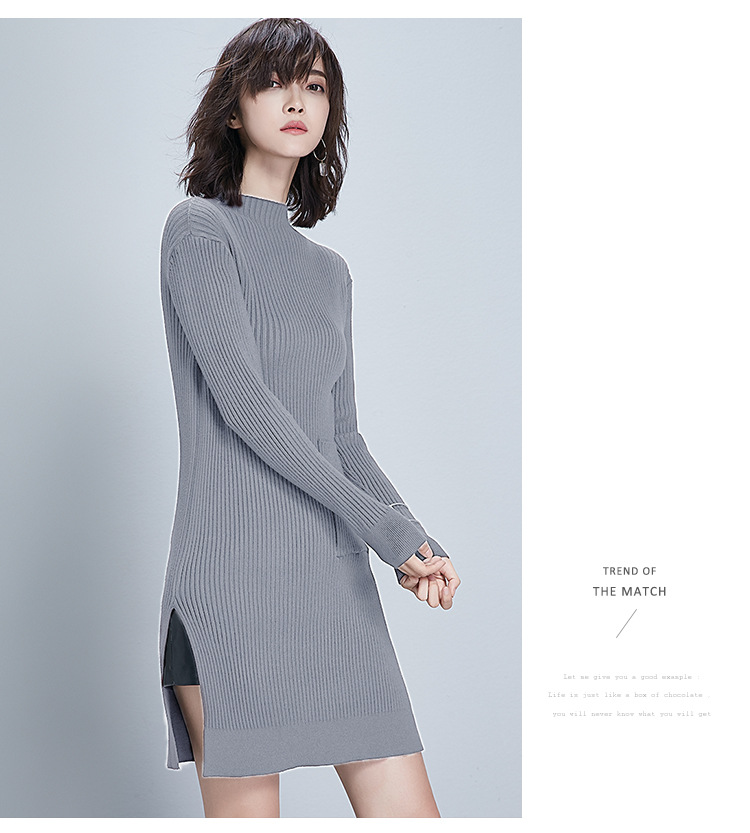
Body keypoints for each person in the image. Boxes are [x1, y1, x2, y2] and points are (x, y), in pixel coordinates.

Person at [158, 17, 461, 818]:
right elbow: (246, 404)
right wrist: (383, 529)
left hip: (332, 584)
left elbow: (342, 436)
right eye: (273, 82)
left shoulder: (330, 273)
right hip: (231, 585)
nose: (297, 100)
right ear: (233, 109)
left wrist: (413, 537)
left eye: (316, 86)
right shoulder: (199, 230)